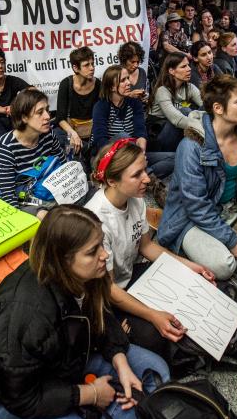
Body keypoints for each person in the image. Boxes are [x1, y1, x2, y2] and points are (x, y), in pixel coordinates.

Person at [0, 204, 169, 419]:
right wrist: (90, 394)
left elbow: (101, 317)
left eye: (101, 244)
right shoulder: (25, 313)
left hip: (69, 362)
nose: (104, 255)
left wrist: (121, 363)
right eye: (92, 251)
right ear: (63, 260)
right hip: (12, 401)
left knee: (157, 372)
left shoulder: (86, 273)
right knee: (146, 409)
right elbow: (21, 397)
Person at [86, 139, 215, 372]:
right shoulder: (98, 220)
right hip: (108, 296)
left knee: (188, 285)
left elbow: (146, 247)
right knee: (156, 336)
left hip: (129, 277)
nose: (147, 178)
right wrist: (152, 315)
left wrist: (189, 265)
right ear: (112, 181)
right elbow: (109, 289)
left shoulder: (135, 199)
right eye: (137, 175)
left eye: (145, 169)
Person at [157, 74, 237, 278]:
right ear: (218, 108)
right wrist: (232, 241)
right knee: (224, 267)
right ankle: (187, 247)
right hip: (190, 219)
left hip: (232, 209)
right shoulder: (191, 147)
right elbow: (196, 206)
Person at [0, 88, 65, 213]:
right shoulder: (7, 145)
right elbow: (8, 196)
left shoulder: (48, 134)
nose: (48, 116)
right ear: (24, 117)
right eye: (40, 112)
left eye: (47, 110)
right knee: (44, 214)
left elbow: (64, 167)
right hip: (17, 195)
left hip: (41, 185)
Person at [147, 52, 202, 152]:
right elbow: (177, 120)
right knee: (185, 111)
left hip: (177, 133)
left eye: (188, 65)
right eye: (183, 66)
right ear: (172, 71)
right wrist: (203, 126)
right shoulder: (162, 90)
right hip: (159, 137)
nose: (189, 69)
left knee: (196, 111)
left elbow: (206, 104)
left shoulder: (189, 87)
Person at [56, 47, 101, 159]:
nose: (92, 68)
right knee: (57, 137)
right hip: (71, 131)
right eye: (86, 65)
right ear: (76, 68)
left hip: (91, 133)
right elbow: (60, 118)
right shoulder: (66, 84)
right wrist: (72, 133)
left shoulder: (98, 84)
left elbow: (101, 115)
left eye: (92, 64)